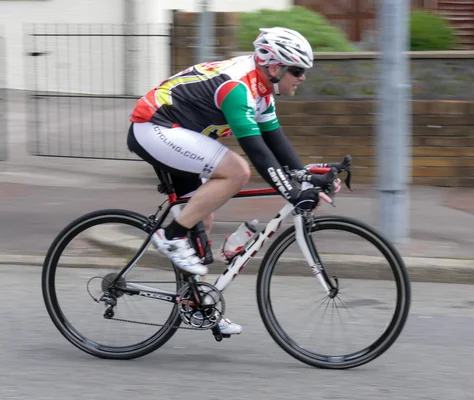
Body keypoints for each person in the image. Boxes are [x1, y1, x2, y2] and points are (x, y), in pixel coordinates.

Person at [126, 27, 340, 335]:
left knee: (201, 215)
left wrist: (307, 177)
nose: (302, 77)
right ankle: (170, 236)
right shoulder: (238, 88)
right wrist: (293, 193)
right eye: (298, 70)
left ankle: (197, 304)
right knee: (237, 171)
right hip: (153, 127)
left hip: (180, 134)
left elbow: (276, 144)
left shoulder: (263, 91)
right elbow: (258, 154)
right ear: (275, 67)